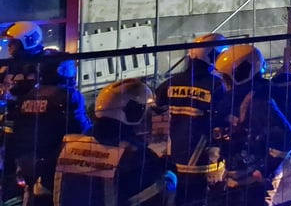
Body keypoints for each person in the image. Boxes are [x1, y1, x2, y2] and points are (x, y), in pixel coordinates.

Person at [53, 78, 174, 206]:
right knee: (170, 180)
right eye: (146, 113)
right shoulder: (137, 157)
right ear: (133, 113)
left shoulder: (67, 147)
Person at [3, 51, 90, 206]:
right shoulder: (68, 96)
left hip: (28, 164)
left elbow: (15, 132)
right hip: (56, 165)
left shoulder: (28, 96)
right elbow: (81, 129)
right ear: (63, 71)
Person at [213, 45, 291, 206]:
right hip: (243, 174)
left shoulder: (259, 101)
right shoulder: (245, 96)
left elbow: (286, 137)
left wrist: (263, 170)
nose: (224, 84)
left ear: (241, 74)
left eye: (226, 78)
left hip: (256, 178)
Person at [154, 33, 230, 206]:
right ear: (215, 56)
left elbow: (156, 108)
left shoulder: (171, 83)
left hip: (177, 162)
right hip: (206, 165)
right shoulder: (217, 86)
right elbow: (226, 120)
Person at [1, 21, 48, 205]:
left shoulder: (41, 64)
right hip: (11, 119)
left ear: (27, 42)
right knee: (7, 160)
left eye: (13, 43)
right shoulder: (11, 65)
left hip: (31, 123)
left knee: (28, 167)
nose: (9, 47)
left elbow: (26, 92)